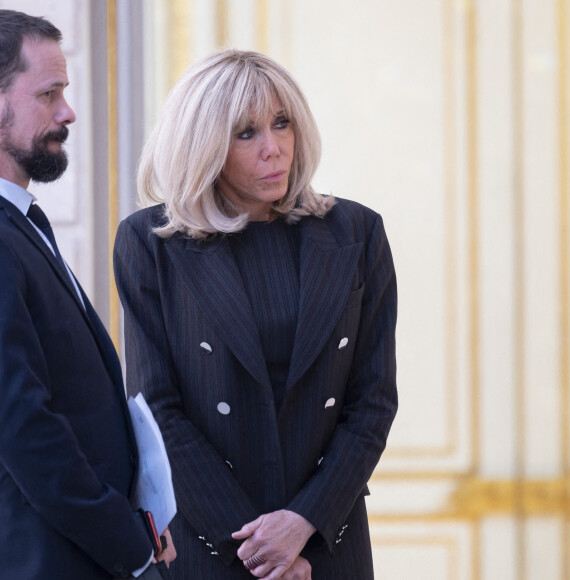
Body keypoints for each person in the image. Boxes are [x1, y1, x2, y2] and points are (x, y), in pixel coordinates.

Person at [114, 49, 397, 580]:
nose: (274, 149)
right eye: (246, 134)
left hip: (326, 542)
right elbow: (158, 410)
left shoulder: (357, 233)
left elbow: (372, 401)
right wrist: (262, 550)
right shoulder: (150, 243)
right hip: (212, 542)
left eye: (282, 123)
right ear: (204, 147)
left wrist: (301, 524)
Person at [0, 10, 176, 579]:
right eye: (48, 94)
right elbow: (24, 426)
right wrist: (130, 545)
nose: (68, 113)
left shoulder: (21, 225)